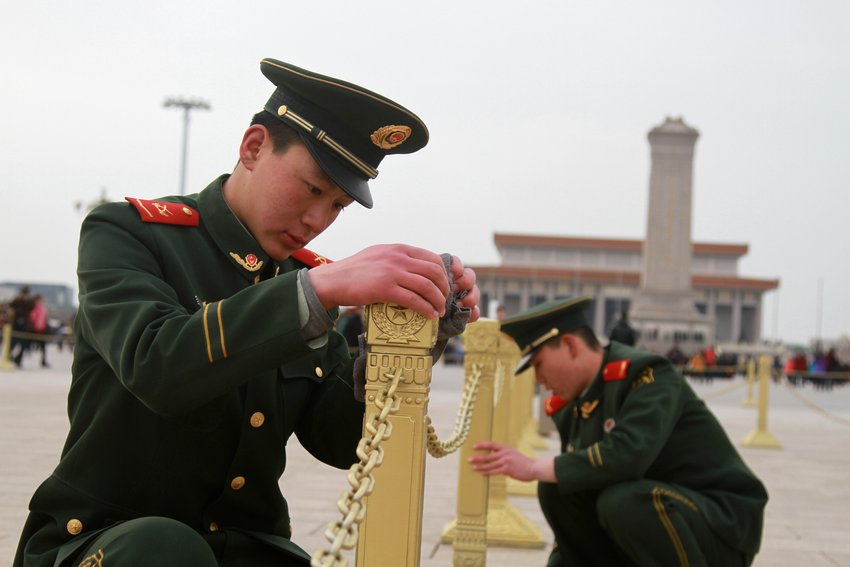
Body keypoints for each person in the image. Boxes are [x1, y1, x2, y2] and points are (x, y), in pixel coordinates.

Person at [14, 58, 480, 567]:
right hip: (109, 541)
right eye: (312, 189)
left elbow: (343, 440)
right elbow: (156, 365)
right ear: (254, 147)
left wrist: (416, 329)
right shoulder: (129, 233)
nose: (316, 221)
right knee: (165, 550)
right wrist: (317, 290)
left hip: (246, 546)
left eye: (337, 206)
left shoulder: (299, 281)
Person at [469, 297, 767, 566]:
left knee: (623, 502)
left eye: (538, 364)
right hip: (654, 520)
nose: (538, 380)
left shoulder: (648, 375)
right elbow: (578, 496)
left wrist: (534, 466)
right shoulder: (573, 403)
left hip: (720, 524)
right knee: (559, 488)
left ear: (571, 346)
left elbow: (628, 455)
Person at [10, 285, 35, 367]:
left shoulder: (29, 301)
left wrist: (27, 300)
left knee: (24, 344)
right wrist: (19, 298)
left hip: (25, 325)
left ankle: (18, 359)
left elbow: (32, 307)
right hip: (16, 324)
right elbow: (11, 305)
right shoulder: (17, 299)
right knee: (12, 343)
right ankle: (10, 357)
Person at [28, 294, 50, 367]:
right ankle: (17, 358)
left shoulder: (43, 308)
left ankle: (43, 361)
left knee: (43, 347)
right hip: (33, 330)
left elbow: (45, 319)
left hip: (42, 330)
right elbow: (32, 318)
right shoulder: (33, 308)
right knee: (25, 344)